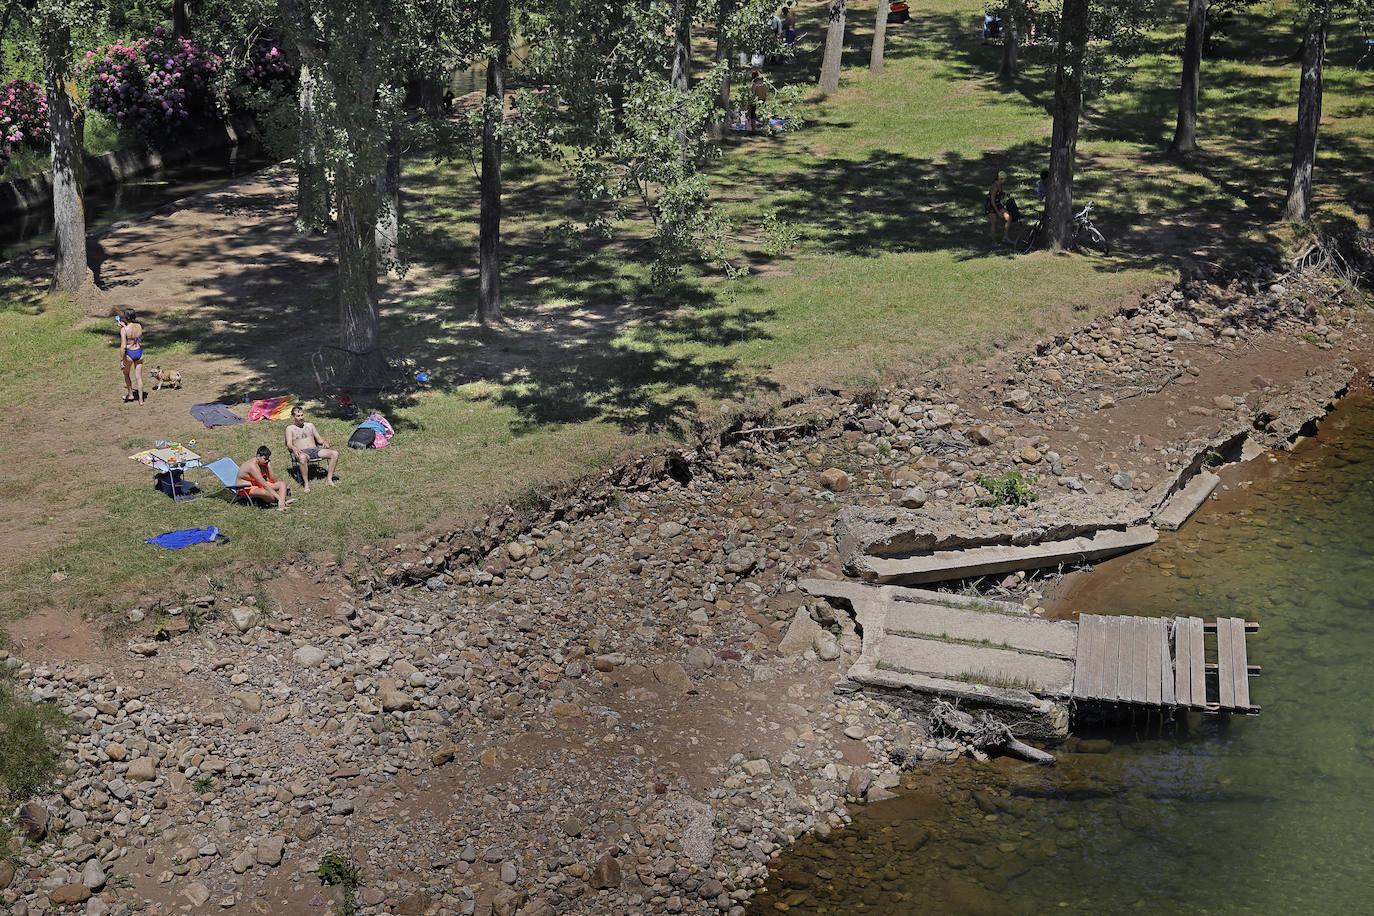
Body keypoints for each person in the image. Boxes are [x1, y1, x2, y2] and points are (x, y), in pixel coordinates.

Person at [284, 406, 340, 491]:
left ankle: (329, 480)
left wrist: (324, 442)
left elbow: (319, 439)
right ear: (293, 417)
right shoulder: (290, 428)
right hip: (302, 452)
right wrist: (294, 448)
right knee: (302, 458)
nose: (301, 417)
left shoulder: (310, 425)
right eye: (298, 416)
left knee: (335, 454)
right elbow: (289, 444)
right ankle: (306, 484)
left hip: (315, 450)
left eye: (302, 415)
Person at [236, 446, 292, 511]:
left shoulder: (263, 463)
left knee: (282, 484)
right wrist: (279, 498)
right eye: (265, 459)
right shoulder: (252, 466)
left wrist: (269, 466)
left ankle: (282, 503)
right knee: (264, 492)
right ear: (258, 456)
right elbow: (264, 485)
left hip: (257, 485)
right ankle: (282, 502)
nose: (266, 461)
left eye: (268, 459)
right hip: (245, 488)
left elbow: (273, 481)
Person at [118, 308, 146, 404]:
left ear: (126, 317)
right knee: (139, 377)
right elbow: (135, 336)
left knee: (126, 373)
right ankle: (141, 400)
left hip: (129, 353)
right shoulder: (139, 326)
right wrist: (125, 326)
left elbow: (123, 346)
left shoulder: (124, 330)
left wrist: (121, 360)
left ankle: (130, 394)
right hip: (139, 352)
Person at [986, 171, 1013, 245]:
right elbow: (992, 201)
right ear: (1000, 179)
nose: (1005, 180)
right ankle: (993, 242)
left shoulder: (1000, 185)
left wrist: (1005, 193)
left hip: (998, 204)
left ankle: (1005, 237)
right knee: (994, 223)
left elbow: (1000, 193)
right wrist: (998, 212)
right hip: (991, 206)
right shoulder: (994, 187)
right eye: (1004, 179)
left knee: (1009, 218)